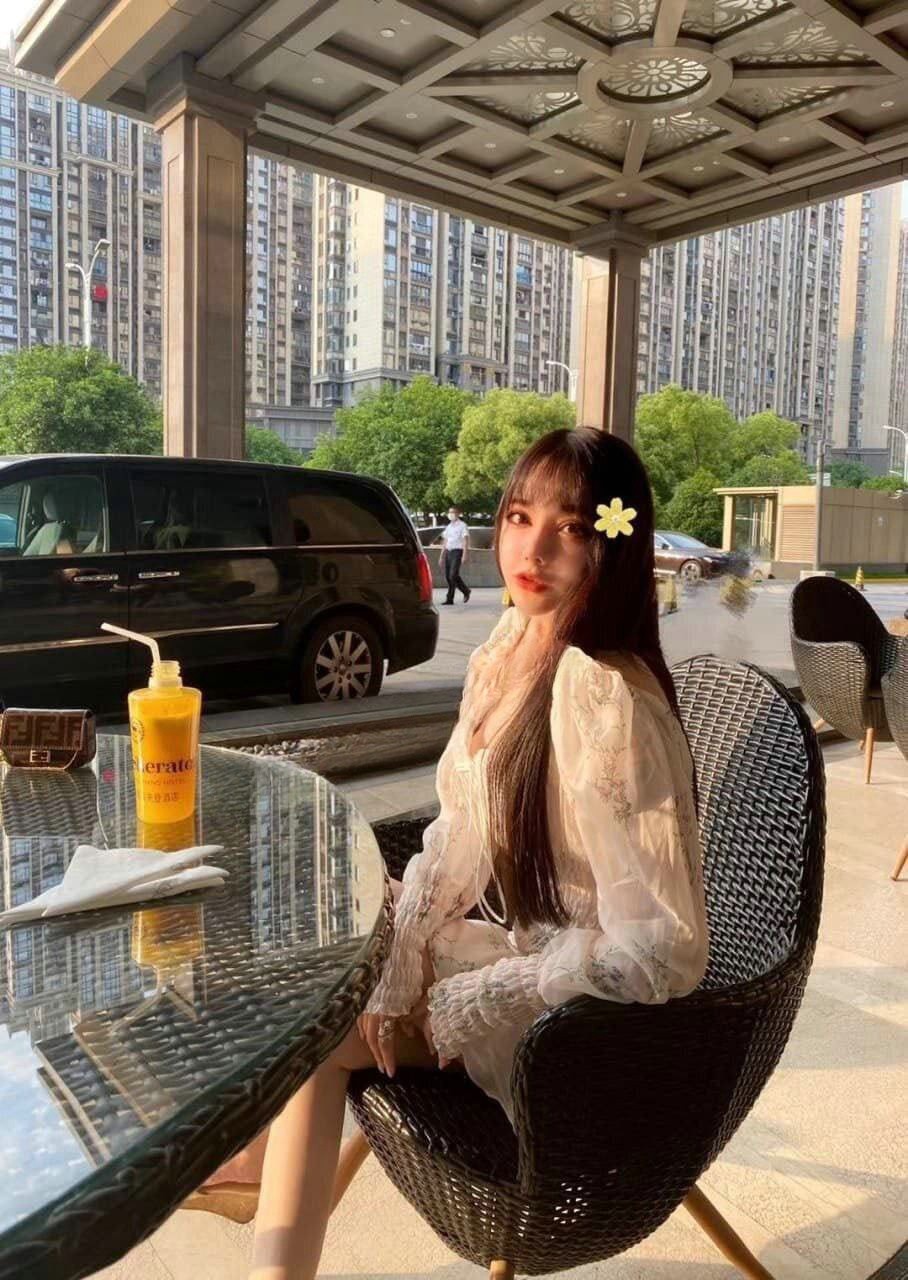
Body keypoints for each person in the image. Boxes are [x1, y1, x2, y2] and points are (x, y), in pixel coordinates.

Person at [200, 427, 709, 1280]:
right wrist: (402, 965)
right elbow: (462, 829)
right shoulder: (512, 648)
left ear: (613, 545)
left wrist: (474, 999)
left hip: (575, 1026)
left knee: (315, 1032)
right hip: (519, 952)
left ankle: (262, 1218)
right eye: (518, 517)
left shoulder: (606, 697)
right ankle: (254, 1171)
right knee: (309, 946)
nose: (532, 551)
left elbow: (664, 950)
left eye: (571, 528)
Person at [439, 506, 471, 604]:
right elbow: (445, 541)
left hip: (457, 552)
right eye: (449, 512)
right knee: (448, 577)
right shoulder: (449, 527)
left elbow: (465, 540)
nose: (451, 514)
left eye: (453, 512)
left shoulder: (462, 525)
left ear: (458, 514)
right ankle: (450, 599)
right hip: (448, 551)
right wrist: (441, 556)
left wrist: (465, 554)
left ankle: (465, 590)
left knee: (453, 575)